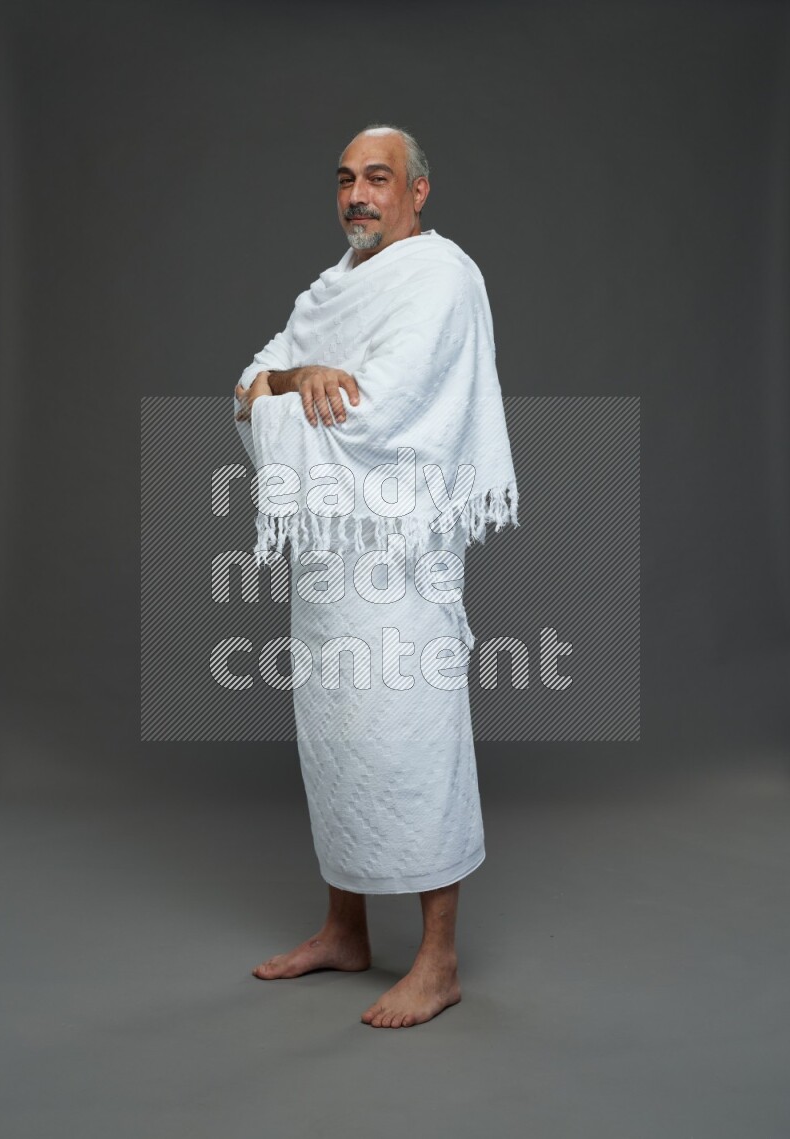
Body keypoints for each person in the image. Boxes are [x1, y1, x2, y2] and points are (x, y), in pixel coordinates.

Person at [233, 124, 517, 1028]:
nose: (358, 194)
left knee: (410, 735)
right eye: (348, 179)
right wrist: (296, 376)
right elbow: (249, 383)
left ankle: (438, 959)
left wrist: (293, 384)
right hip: (326, 557)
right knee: (335, 740)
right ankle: (344, 928)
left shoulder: (442, 278)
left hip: (399, 555)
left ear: (418, 190)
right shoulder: (328, 290)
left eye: (379, 178)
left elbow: (377, 407)